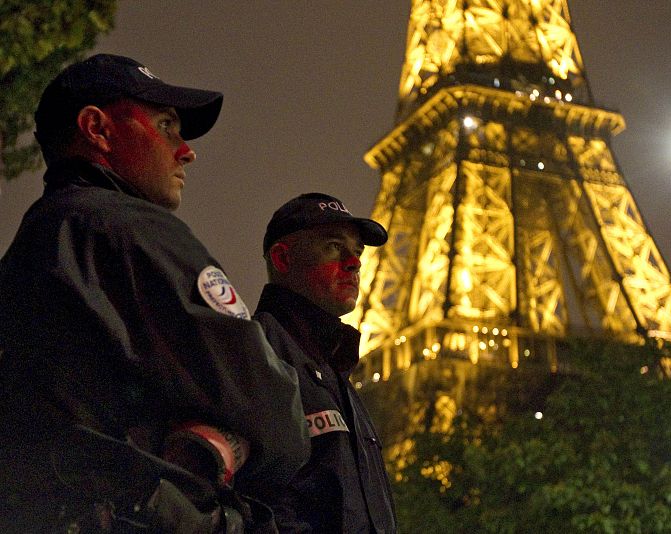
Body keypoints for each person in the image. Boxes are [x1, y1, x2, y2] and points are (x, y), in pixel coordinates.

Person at [0, 54, 309, 533]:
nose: (186, 151)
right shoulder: (132, 232)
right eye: (166, 126)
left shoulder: (32, 247)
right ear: (97, 129)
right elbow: (273, 412)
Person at [254, 192, 397, 533]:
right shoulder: (257, 353)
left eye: (358, 251)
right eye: (334, 246)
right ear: (283, 259)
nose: (355, 263)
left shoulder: (335, 371)